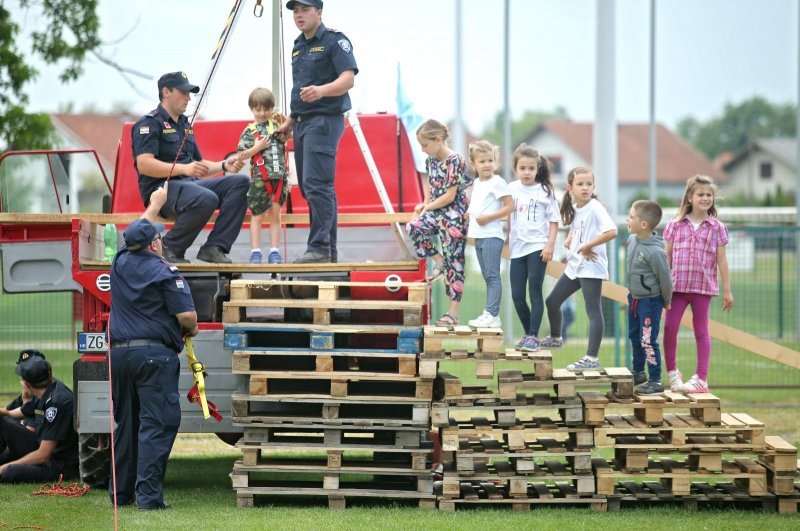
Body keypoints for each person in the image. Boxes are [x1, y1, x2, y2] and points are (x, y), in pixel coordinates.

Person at [108, 185, 198, 510]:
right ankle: (148, 499)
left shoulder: (119, 264)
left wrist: (153, 205)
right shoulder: (164, 270)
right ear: (154, 243)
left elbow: (134, 235)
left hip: (118, 356)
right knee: (157, 425)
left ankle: (121, 495)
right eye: (158, 236)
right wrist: (193, 329)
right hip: (154, 358)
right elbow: (187, 316)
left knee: (126, 425)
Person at [132, 71, 249, 264]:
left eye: (189, 93)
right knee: (206, 198)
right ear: (166, 92)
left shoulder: (185, 125)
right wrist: (183, 169)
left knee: (241, 183)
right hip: (162, 191)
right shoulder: (148, 123)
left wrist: (222, 165)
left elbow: (198, 165)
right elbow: (144, 164)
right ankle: (170, 248)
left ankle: (214, 247)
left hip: (191, 187)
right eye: (183, 92)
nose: (188, 98)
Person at [275, 0, 359, 264]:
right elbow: (302, 90)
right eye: (295, 11)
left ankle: (320, 248)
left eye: (304, 10)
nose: (299, 15)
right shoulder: (298, 45)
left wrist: (322, 90)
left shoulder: (335, 41)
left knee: (317, 184)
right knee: (311, 187)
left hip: (324, 120)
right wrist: (290, 120)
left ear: (319, 12)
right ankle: (326, 251)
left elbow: (348, 79)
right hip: (302, 122)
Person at [542, 167, 618, 371]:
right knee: (552, 301)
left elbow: (612, 231)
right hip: (575, 267)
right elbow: (579, 228)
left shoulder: (595, 206)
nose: (585, 188)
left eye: (589, 184)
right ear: (570, 188)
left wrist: (589, 245)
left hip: (591, 267)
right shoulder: (577, 207)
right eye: (580, 184)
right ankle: (557, 337)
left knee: (593, 310)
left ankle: (592, 358)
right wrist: (570, 238)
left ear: (593, 187)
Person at [663, 175, 733, 393]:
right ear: (690, 198)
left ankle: (701, 378)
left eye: (709, 194)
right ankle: (673, 374)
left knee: (701, 331)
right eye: (700, 194)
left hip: (703, 288)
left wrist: (727, 291)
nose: (705, 198)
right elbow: (667, 257)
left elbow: (722, 260)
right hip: (677, 289)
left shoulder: (717, 227)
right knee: (669, 328)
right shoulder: (674, 224)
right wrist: (663, 286)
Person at [407, 119, 471, 326]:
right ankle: (440, 261)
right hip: (436, 209)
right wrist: (424, 204)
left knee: (456, 259)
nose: (424, 150)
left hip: (454, 213)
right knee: (414, 227)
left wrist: (429, 207)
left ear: (438, 139)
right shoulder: (431, 160)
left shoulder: (455, 160)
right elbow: (431, 186)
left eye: (425, 145)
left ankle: (452, 312)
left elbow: (450, 196)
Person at [507, 144, 560, 351]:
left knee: (534, 292)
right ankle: (529, 333)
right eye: (522, 168)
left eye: (531, 168)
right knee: (517, 296)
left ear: (537, 169)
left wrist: (550, 244)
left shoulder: (545, 191)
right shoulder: (510, 189)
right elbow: (504, 212)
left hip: (538, 248)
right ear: (516, 169)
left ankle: (532, 335)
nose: (527, 172)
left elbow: (554, 221)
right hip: (517, 249)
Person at [0, 352, 79, 483]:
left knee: (10, 473)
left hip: (57, 463)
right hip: (40, 447)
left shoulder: (57, 404)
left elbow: (43, 455)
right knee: (3, 421)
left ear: (26, 385)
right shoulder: (47, 387)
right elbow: (20, 412)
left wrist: (7, 466)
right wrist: (5, 412)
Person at [236, 87, 290, 264]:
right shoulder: (249, 131)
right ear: (252, 109)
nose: (262, 113)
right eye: (258, 109)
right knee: (257, 216)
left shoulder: (279, 127)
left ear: (272, 108)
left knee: (276, 216)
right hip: (260, 180)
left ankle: (274, 251)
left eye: (267, 109)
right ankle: (256, 252)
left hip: (280, 179)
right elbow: (241, 155)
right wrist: (256, 148)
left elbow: (291, 136)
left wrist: (284, 122)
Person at [625, 200, 674, 395]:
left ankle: (655, 380)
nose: (627, 219)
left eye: (631, 216)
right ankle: (638, 373)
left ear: (643, 224)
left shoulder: (655, 252)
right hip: (634, 299)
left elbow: (666, 280)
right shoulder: (631, 240)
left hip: (650, 302)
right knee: (634, 337)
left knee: (647, 340)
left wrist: (667, 300)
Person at [465, 140, 513, 329]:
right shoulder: (476, 182)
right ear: (473, 164)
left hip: (492, 235)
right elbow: (477, 205)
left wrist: (489, 217)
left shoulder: (498, 182)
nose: (487, 165)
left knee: (493, 276)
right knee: (487, 276)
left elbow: (510, 207)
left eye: (490, 160)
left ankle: (492, 314)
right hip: (478, 236)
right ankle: (489, 314)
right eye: (482, 161)